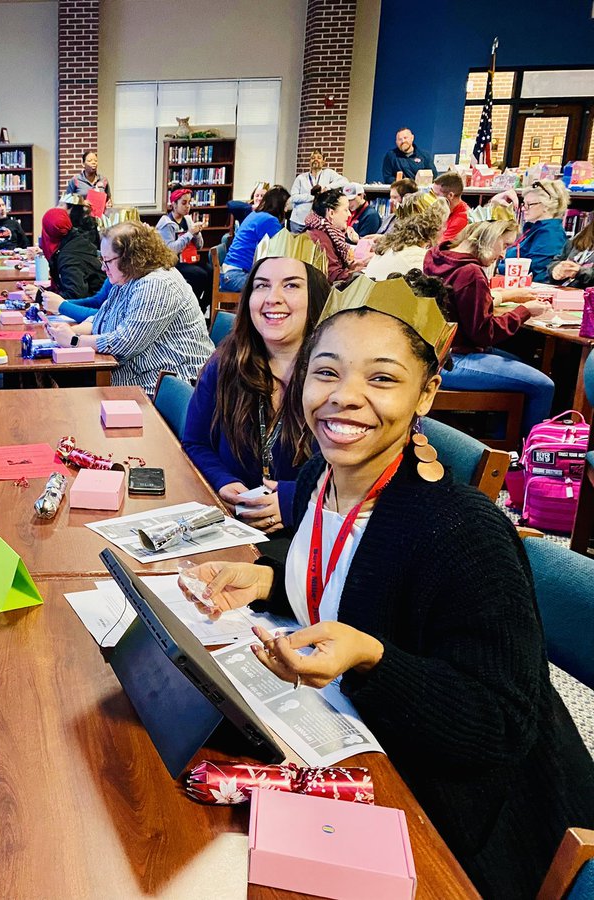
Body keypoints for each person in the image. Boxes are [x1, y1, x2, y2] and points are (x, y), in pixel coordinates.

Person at [182, 275, 594, 899]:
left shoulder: (464, 534)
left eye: (381, 378)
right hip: (361, 742)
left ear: (427, 393)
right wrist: (268, 577)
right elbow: (347, 576)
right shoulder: (323, 471)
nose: (344, 399)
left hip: (467, 822)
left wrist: (373, 660)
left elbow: (502, 725)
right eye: (326, 373)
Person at [183, 231, 330, 539]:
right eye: (261, 285)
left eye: (291, 285)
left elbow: (368, 477)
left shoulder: (341, 377)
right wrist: (222, 480)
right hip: (232, 527)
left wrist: (293, 499)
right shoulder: (226, 362)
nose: (272, 298)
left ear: (315, 296)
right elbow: (195, 442)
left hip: (312, 536)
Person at [46, 221, 213, 396]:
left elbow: (124, 343)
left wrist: (74, 341)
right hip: (142, 375)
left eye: (107, 261)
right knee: (59, 377)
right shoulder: (129, 277)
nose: (103, 268)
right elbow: (104, 317)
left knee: (65, 385)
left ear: (130, 258)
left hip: (170, 385)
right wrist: (65, 332)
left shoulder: (157, 284)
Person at [423, 219, 554, 430]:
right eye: (504, 245)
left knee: (519, 363)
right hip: (453, 359)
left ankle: (502, 438)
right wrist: (525, 311)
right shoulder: (471, 273)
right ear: (490, 240)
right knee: (542, 385)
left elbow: (459, 305)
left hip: (434, 352)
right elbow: (484, 334)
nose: (503, 255)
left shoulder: (436, 257)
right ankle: (528, 455)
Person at [497, 180, 569, 283]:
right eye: (524, 204)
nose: (523, 209)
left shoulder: (550, 234)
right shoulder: (534, 229)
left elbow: (534, 268)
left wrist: (498, 268)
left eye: (529, 205)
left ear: (546, 206)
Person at [363, 192, 447, 280]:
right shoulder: (418, 258)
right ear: (435, 226)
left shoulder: (388, 248)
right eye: (443, 222)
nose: (445, 228)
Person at [220, 187, 289, 292]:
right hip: (237, 275)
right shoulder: (270, 220)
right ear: (279, 204)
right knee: (274, 288)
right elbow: (280, 249)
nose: (287, 209)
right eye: (286, 205)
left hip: (229, 273)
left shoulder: (255, 214)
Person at [156, 188, 210, 306]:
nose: (188, 206)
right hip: (174, 262)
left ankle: (201, 307)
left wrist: (197, 233)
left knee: (211, 272)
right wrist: (189, 233)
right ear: (174, 204)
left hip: (190, 259)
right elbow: (171, 250)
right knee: (200, 275)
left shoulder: (188, 219)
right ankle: (190, 305)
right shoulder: (166, 224)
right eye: (184, 203)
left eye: (189, 203)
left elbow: (200, 246)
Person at [39, 207, 103, 299]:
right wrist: (43, 292)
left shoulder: (69, 257)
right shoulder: (76, 240)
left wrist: (40, 297)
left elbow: (75, 295)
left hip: (95, 307)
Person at [303, 188, 362, 284]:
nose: (349, 214)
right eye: (345, 210)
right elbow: (333, 276)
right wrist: (357, 273)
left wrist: (350, 268)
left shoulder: (320, 232)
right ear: (331, 213)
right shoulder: (320, 239)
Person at [289, 150, 347, 233]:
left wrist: (328, 187)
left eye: (319, 158)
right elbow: (293, 197)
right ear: (309, 162)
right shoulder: (301, 178)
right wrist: (312, 197)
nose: (315, 159)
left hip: (318, 223)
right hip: (299, 222)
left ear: (323, 161)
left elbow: (344, 181)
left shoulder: (328, 174)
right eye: (313, 158)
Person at [548, 213, 594, 287]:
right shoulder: (579, 237)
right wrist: (555, 269)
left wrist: (579, 272)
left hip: (586, 295)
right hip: (562, 290)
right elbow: (556, 261)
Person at [431, 172, 469, 242]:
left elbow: (438, 246)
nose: (432, 198)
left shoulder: (461, 219)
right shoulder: (445, 210)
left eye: (436, 195)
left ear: (450, 195)